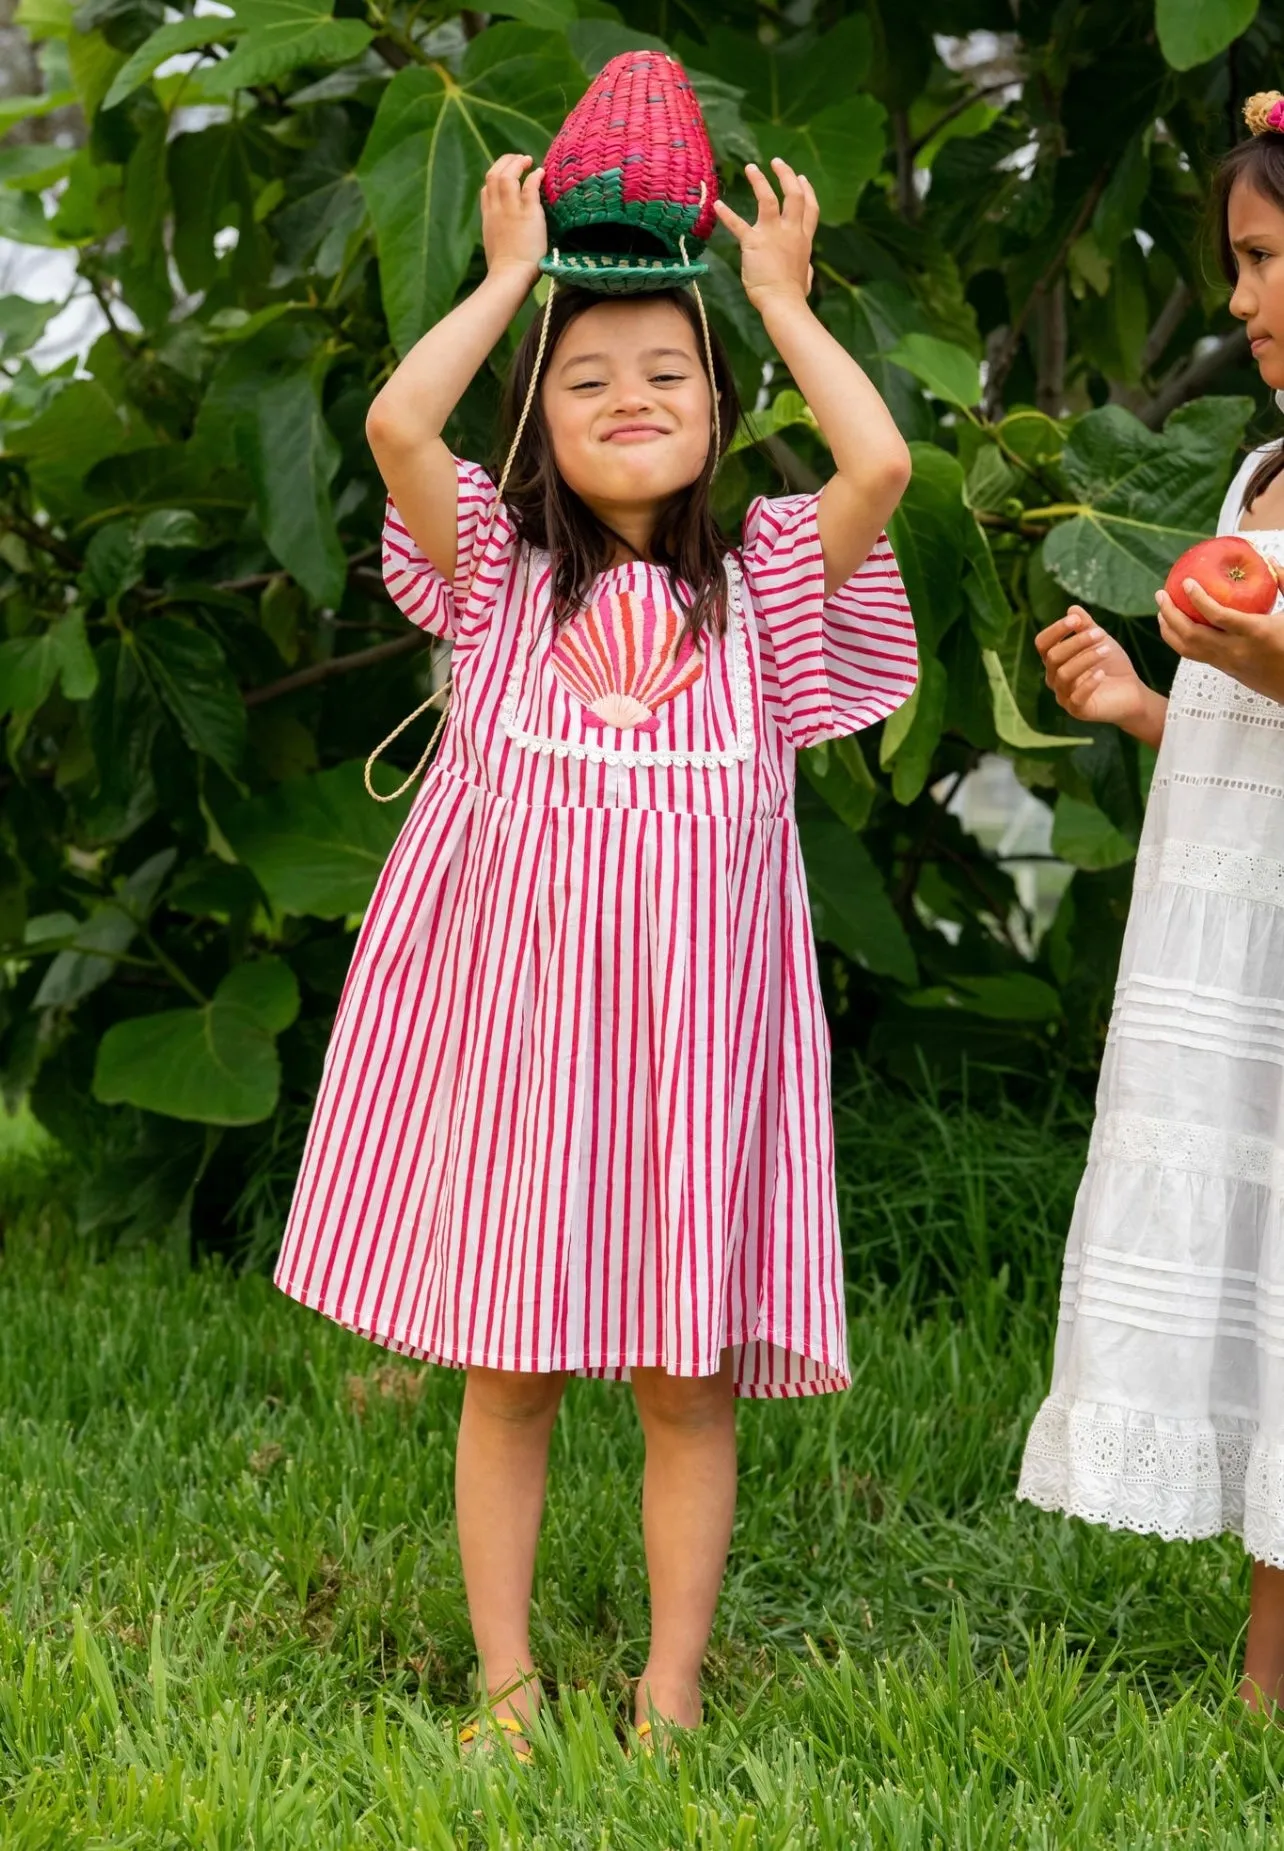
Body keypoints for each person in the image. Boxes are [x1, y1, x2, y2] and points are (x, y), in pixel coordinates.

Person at [273, 147, 916, 1754]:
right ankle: (504, 1684)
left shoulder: (765, 589)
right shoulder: (497, 575)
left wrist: (778, 297)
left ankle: (671, 1684)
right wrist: (505, 283)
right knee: (510, 1371)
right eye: (586, 375)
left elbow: (885, 464)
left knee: (684, 1386)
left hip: (697, 1071)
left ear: (716, 398)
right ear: (540, 412)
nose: (630, 394)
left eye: (667, 369)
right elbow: (399, 428)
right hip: (523, 1056)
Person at [1019, 92, 1284, 1714]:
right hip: (1236, 953)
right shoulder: (1261, 470)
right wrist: (1144, 699)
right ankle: (1270, 1671)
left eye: (1261, 260)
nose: (1241, 299)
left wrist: (1261, 650)